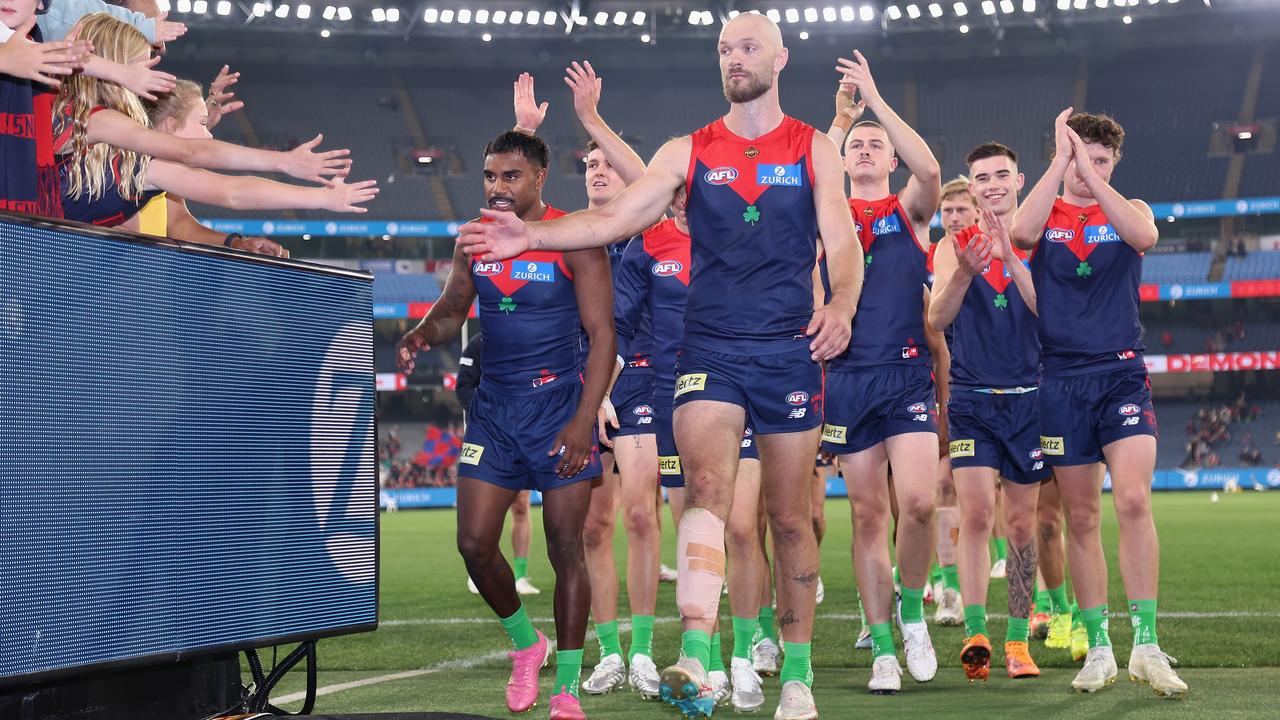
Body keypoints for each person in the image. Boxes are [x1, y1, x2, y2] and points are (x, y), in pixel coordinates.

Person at [458, 14, 863, 720]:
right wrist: (533, 233)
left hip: (790, 349)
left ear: (779, 57)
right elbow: (615, 220)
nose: (734, 59)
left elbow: (843, 240)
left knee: (788, 518)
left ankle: (795, 677)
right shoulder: (690, 150)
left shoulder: (813, 148)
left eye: (747, 47)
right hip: (708, 348)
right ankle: (698, 655)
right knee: (705, 486)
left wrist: (846, 303)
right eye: (724, 50)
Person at [399, 129, 615, 720]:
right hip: (494, 413)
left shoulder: (574, 240)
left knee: (565, 546)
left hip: (558, 410)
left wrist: (582, 419)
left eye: (511, 176)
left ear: (540, 178)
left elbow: (603, 337)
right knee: (472, 544)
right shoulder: (474, 240)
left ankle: (567, 689)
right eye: (491, 176)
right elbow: (450, 312)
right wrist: (421, 335)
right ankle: (528, 645)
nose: (497, 187)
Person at [1010, 108, 1187, 698]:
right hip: (1060, 380)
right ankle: (1100, 648)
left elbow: (1145, 237)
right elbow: (1019, 235)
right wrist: (1062, 161)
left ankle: (1147, 644)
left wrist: (1089, 169)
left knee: (1134, 500)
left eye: (1102, 160)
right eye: (1082, 156)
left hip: (1120, 375)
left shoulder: (1130, 209)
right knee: (1081, 517)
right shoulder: (1046, 208)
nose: (1089, 169)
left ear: (1113, 163)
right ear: (1060, 157)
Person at [506, 65, 665, 699]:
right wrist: (523, 132)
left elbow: (651, 178)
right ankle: (606, 650)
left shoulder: (642, 226)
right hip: (577, 390)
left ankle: (646, 649)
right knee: (592, 528)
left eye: (608, 163)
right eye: (590, 163)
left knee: (641, 513)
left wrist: (593, 119)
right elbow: (508, 205)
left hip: (640, 385)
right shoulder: (567, 234)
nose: (599, 169)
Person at [613, 198, 769, 712]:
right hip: (674, 402)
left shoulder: (740, 233)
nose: (683, 201)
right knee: (697, 541)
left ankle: (745, 656)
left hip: (740, 391)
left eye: (690, 189)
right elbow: (615, 329)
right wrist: (598, 395)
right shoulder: (648, 244)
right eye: (674, 191)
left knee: (743, 528)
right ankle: (710, 665)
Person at [821, 50, 943, 695]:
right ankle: (885, 649)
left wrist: (874, 98)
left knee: (919, 504)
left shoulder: (908, 212)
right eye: (857, 144)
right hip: (845, 378)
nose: (867, 150)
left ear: (888, 156)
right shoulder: (824, 216)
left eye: (877, 144)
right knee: (868, 518)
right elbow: (809, 167)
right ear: (842, 159)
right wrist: (840, 125)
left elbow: (929, 168)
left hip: (904, 377)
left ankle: (914, 607)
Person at [930, 141, 1049, 682]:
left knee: (1022, 522)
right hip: (973, 400)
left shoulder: (1037, 241)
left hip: (1028, 399)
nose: (993, 184)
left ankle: (1018, 641)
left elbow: (1046, 315)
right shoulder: (953, 245)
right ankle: (977, 631)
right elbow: (937, 319)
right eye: (983, 177)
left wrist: (1010, 255)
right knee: (976, 514)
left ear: (1019, 180)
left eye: (1003, 174)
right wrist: (965, 271)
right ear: (971, 186)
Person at [127, 78, 288, 256]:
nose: (209, 136)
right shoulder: (130, 169)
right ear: (171, 125)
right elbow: (234, 192)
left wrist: (234, 242)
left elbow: (178, 224)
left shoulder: (167, 168)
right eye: (203, 124)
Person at [454, 333, 541, 598]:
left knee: (521, 505)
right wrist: (491, 417)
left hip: (523, 435)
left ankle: (521, 575)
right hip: (487, 438)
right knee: (489, 506)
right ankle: (479, 570)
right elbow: (463, 388)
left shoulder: (527, 342)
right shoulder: (479, 345)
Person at [929, 176, 977, 628]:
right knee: (926, 494)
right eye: (949, 211)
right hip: (932, 387)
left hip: (985, 384)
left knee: (1028, 512)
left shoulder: (1000, 244)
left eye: (963, 209)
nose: (955, 217)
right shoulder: (935, 253)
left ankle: (953, 589)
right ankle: (940, 586)